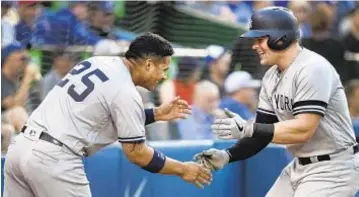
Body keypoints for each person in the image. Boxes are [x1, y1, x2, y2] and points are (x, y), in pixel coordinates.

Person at [4, 32, 212, 197]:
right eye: (163, 69)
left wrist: (154, 114)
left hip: (20, 148)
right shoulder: (126, 91)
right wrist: (182, 169)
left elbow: (97, 114)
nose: (164, 76)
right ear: (148, 64)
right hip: (54, 159)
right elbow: (137, 153)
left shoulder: (97, 62)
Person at [194, 7, 359, 197]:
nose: (255, 46)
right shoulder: (271, 77)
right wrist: (228, 155)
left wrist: (247, 128)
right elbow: (262, 131)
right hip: (300, 165)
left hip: (334, 167)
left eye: (260, 39)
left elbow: (304, 130)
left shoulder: (312, 68)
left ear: (280, 38)